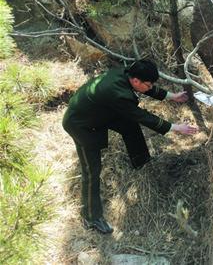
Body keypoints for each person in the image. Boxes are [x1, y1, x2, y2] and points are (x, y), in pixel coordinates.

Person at [62, 60, 198, 234]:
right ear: (135, 81)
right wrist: (176, 127)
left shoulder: (127, 73)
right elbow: (142, 116)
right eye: (148, 84)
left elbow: (147, 87)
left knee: (129, 125)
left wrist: (171, 96)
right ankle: (91, 217)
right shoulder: (118, 94)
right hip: (81, 124)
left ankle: (142, 163)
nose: (150, 87)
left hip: (101, 111)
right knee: (91, 170)